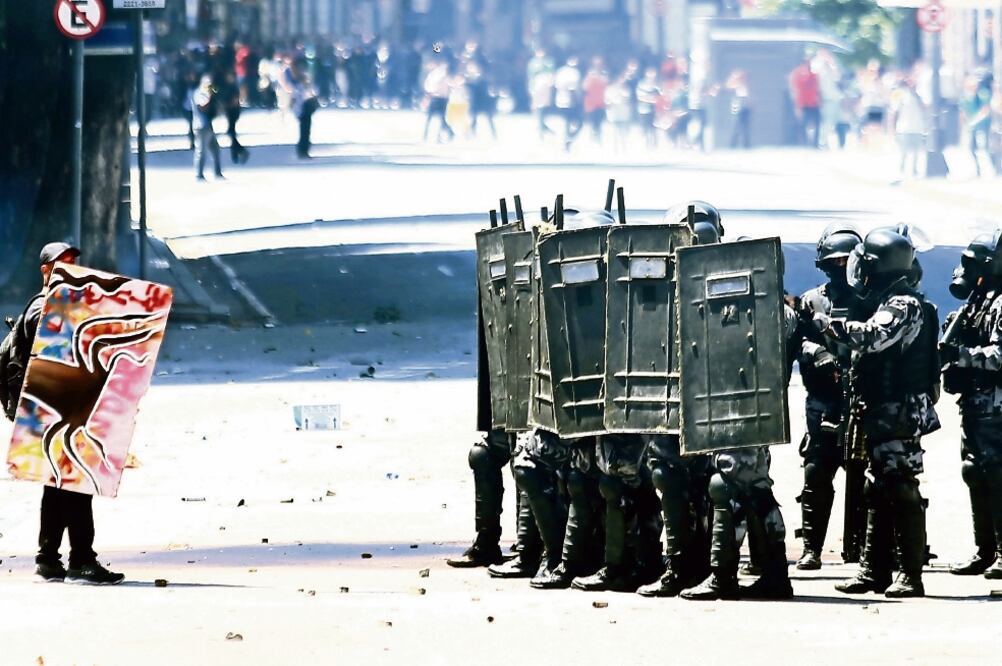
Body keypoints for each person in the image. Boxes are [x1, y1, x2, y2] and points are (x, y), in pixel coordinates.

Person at [819, 227, 940, 598]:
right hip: (881, 410)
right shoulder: (882, 299)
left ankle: (910, 574)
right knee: (878, 487)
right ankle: (875, 570)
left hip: (900, 411)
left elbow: (872, 337)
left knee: (901, 487)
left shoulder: (903, 304)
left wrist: (831, 324)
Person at [16, 243, 125, 585]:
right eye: (63, 265)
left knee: (59, 486)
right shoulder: (42, 309)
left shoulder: (74, 306)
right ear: (46, 271)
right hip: (53, 412)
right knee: (76, 484)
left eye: (74, 264)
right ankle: (81, 560)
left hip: (68, 410)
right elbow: (55, 359)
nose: (72, 270)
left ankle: (48, 559)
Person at [794, 225, 864, 570]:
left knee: (868, 476)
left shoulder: (870, 300)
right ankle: (811, 548)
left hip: (862, 399)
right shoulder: (812, 300)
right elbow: (797, 340)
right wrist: (817, 353)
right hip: (823, 400)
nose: (840, 267)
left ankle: (866, 548)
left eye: (846, 261)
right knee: (816, 473)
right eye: (833, 261)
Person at [941, 230, 1002, 580]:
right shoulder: (980, 300)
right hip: (975, 405)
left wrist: (962, 356)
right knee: (974, 473)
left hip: (995, 406)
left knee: (996, 476)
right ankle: (986, 551)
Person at [959, 74, 994, 177]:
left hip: (983, 127)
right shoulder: (965, 97)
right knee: (971, 149)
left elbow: (985, 110)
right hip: (971, 128)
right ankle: (977, 170)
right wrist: (963, 127)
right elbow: (963, 113)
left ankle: (990, 170)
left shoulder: (983, 94)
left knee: (984, 149)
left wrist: (974, 120)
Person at [890, 77, 925, 178]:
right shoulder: (899, 94)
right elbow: (894, 112)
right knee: (903, 151)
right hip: (904, 127)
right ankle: (901, 170)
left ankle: (914, 170)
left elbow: (923, 108)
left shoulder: (918, 95)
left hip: (917, 127)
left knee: (916, 151)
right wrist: (892, 128)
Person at [190, 75, 223, 181]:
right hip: (201, 126)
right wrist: (210, 97)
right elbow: (203, 108)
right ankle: (199, 174)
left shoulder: (207, 93)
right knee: (201, 151)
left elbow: (216, 111)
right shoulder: (199, 93)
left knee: (215, 149)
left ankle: (217, 173)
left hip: (208, 125)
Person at [789, 56, 821, 148]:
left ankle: (814, 144)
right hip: (804, 104)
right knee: (804, 124)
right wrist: (797, 106)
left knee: (816, 123)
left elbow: (817, 88)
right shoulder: (798, 74)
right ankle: (805, 144)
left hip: (814, 103)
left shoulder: (814, 74)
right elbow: (795, 90)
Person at [219, 70, 250, 165]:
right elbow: (219, 93)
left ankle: (239, 152)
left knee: (231, 133)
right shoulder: (226, 86)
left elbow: (237, 99)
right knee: (231, 134)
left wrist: (230, 104)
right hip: (228, 111)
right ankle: (237, 153)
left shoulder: (234, 87)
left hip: (234, 111)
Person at [423, 61, 454, 142]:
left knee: (435, 118)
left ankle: (432, 136)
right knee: (437, 118)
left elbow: (429, 86)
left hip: (440, 98)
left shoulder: (438, 75)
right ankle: (431, 135)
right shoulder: (440, 75)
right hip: (439, 98)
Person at [582, 57, 608, 142]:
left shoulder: (604, 73)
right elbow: (585, 86)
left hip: (601, 102)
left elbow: (606, 84)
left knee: (599, 121)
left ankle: (598, 136)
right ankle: (593, 136)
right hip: (591, 102)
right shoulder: (590, 73)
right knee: (592, 121)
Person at [725, 69, 751, 149]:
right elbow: (728, 86)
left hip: (745, 108)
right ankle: (732, 145)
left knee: (745, 128)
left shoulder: (745, 86)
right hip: (738, 109)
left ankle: (746, 145)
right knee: (736, 127)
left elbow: (748, 98)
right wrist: (734, 78)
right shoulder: (734, 86)